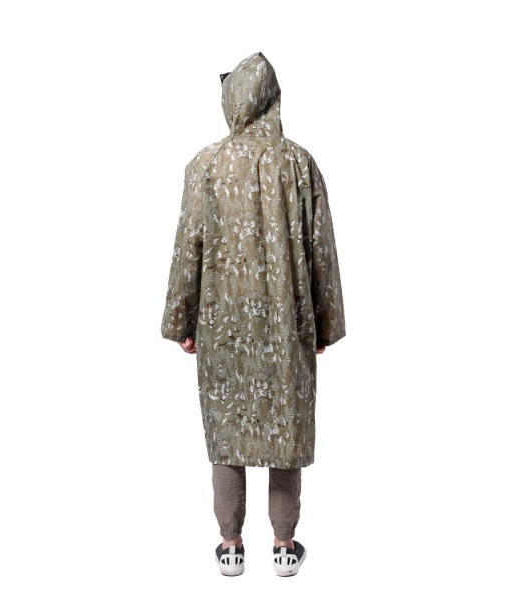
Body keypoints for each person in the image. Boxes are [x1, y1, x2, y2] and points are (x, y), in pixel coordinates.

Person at [160, 51, 345, 577]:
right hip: (288, 325)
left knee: (228, 426)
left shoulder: (205, 164)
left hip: (222, 324)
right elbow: (321, 250)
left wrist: (181, 321)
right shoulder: (299, 164)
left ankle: (230, 545)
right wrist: (325, 324)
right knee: (286, 428)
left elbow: (189, 246)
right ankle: (284, 545)